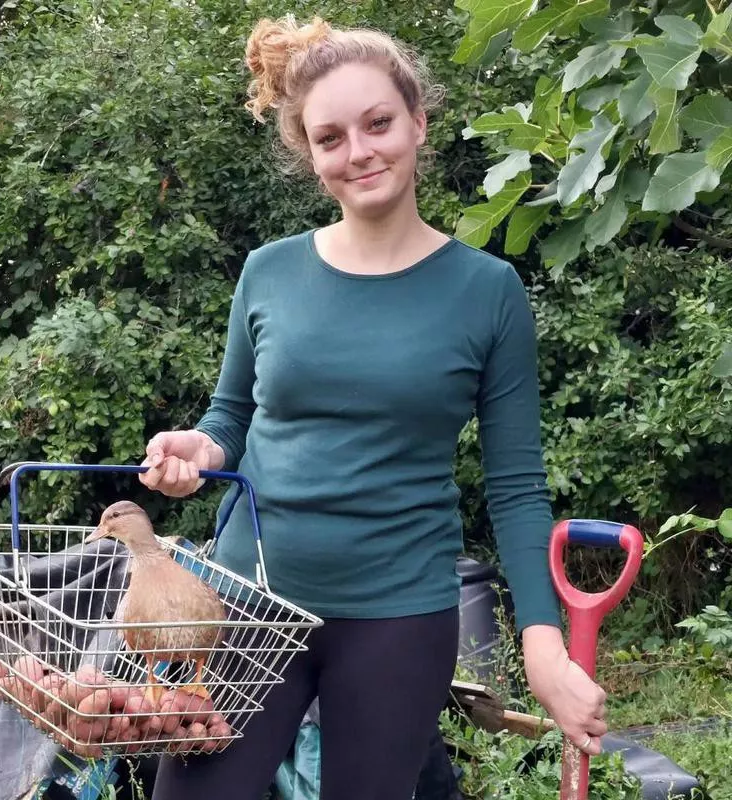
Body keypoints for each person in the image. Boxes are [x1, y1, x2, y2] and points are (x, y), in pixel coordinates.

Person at [138, 14, 608, 800]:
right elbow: (232, 417)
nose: (359, 152)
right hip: (252, 605)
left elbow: (518, 488)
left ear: (419, 122)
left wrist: (542, 648)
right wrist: (202, 451)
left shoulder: (488, 294)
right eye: (330, 138)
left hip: (398, 616)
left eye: (378, 123)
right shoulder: (269, 273)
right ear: (309, 155)